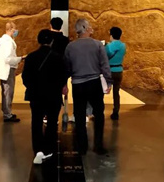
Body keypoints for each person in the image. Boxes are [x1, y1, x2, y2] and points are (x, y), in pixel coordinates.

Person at [64, 18, 112, 155]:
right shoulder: (97, 45)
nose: (92, 28)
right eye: (90, 26)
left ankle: (82, 146)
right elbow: (104, 65)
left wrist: (64, 84)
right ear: (85, 28)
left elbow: (66, 68)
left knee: (79, 115)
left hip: (78, 84)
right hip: (94, 83)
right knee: (99, 113)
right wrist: (108, 81)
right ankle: (98, 145)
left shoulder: (70, 47)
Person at [22, 29, 68, 164]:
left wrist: (33, 87)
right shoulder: (58, 57)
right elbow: (63, 76)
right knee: (52, 122)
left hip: (36, 95)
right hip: (53, 95)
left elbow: (25, 77)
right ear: (52, 41)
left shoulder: (31, 57)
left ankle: (38, 150)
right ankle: (49, 149)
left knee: (36, 122)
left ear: (38, 40)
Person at [0, 21, 24, 123]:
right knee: (8, 92)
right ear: (11, 29)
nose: (16, 31)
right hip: (8, 69)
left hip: (4, 69)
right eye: (15, 29)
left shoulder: (2, 41)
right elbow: (8, 58)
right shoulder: (7, 42)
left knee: (5, 92)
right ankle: (7, 114)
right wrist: (20, 58)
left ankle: (7, 111)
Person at [105, 26, 127, 121]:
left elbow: (104, 56)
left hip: (109, 71)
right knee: (116, 92)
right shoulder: (123, 46)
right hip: (119, 71)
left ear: (111, 35)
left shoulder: (108, 46)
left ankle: (99, 111)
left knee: (102, 91)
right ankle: (116, 112)